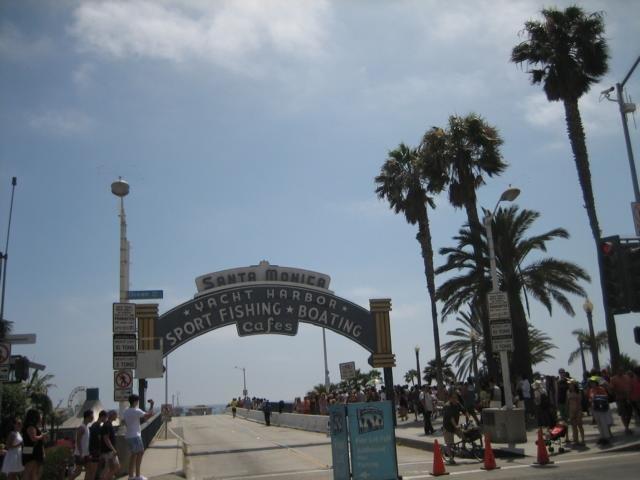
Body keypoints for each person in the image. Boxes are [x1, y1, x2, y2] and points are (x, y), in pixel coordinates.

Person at [123, 395, 155, 480]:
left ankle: (131, 476)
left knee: (133, 455)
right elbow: (148, 415)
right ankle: (137, 476)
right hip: (135, 436)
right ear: (135, 401)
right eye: (137, 401)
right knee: (140, 453)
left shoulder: (126, 411)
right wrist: (152, 405)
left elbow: (124, 422)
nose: (137, 403)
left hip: (128, 435)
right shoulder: (136, 410)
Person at [22, 409, 47, 480]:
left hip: (30, 450)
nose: (40, 416)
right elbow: (33, 438)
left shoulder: (31, 426)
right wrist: (42, 436)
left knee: (33, 472)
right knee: (28, 471)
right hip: (32, 451)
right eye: (39, 415)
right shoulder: (31, 426)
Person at [68, 410, 94, 480]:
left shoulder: (86, 427)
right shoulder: (82, 428)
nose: (93, 418)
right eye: (92, 416)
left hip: (86, 454)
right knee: (78, 472)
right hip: (80, 454)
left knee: (89, 470)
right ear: (87, 417)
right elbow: (78, 441)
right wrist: (81, 453)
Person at [588, 376, 613, 445]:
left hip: (601, 408)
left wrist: (597, 397)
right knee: (599, 424)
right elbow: (590, 398)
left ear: (596, 383)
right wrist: (591, 400)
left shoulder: (601, 389)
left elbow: (605, 397)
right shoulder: (591, 390)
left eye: (593, 383)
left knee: (603, 423)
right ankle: (602, 437)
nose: (592, 384)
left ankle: (606, 437)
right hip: (595, 408)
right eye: (591, 383)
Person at [610, 368, 633, 434]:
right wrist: (617, 391)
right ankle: (626, 427)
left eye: (621, 370)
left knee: (629, 413)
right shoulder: (613, 379)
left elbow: (631, 386)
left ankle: (627, 425)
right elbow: (611, 389)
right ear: (616, 371)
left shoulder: (627, 377)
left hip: (628, 398)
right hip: (619, 398)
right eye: (619, 370)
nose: (620, 371)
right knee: (623, 413)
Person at [442, 390, 463, 465]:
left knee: (465, 435)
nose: (455, 399)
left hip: (455, 425)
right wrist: (456, 426)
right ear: (450, 398)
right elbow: (451, 418)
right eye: (453, 398)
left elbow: (463, 410)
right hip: (448, 427)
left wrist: (467, 415)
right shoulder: (447, 406)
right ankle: (451, 458)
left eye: (456, 397)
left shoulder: (457, 404)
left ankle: (463, 447)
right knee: (449, 443)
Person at [100, 410, 120, 480]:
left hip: (108, 451)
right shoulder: (107, 425)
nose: (116, 416)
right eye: (115, 414)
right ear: (112, 415)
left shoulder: (108, 424)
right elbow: (106, 438)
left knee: (111, 468)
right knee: (116, 467)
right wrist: (113, 449)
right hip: (109, 451)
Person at [88, 410, 107, 480]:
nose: (106, 420)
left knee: (94, 471)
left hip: (93, 450)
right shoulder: (97, 426)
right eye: (105, 418)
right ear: (103, 417)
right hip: (95, 451)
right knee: (93, 471)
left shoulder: (94, 425)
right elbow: (99, 439)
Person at [567, 381, 585, 445]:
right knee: (574, 426)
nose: (571, 386)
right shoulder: (568, 392)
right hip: (571, 410)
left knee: (580, 425)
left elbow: (580, 401)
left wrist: (580, 411)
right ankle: (576, 440)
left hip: (578, 410)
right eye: (570, 385)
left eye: (572, 385)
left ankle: (583, 439)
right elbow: (567, 402)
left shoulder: (578, 392)